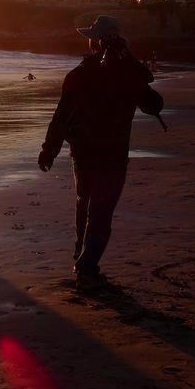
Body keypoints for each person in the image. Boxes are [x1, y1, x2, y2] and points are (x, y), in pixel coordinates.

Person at [38, 15, 163, 289]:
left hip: (82, 153)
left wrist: (50, 149)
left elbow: (61, 116)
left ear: (95, 43)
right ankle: (86, 265)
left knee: (86, 203)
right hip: (113, 154)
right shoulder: (128, 73)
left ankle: (82, 258)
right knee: (101, 210)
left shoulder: (80, 75)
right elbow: (154, 105)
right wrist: (129, 62)